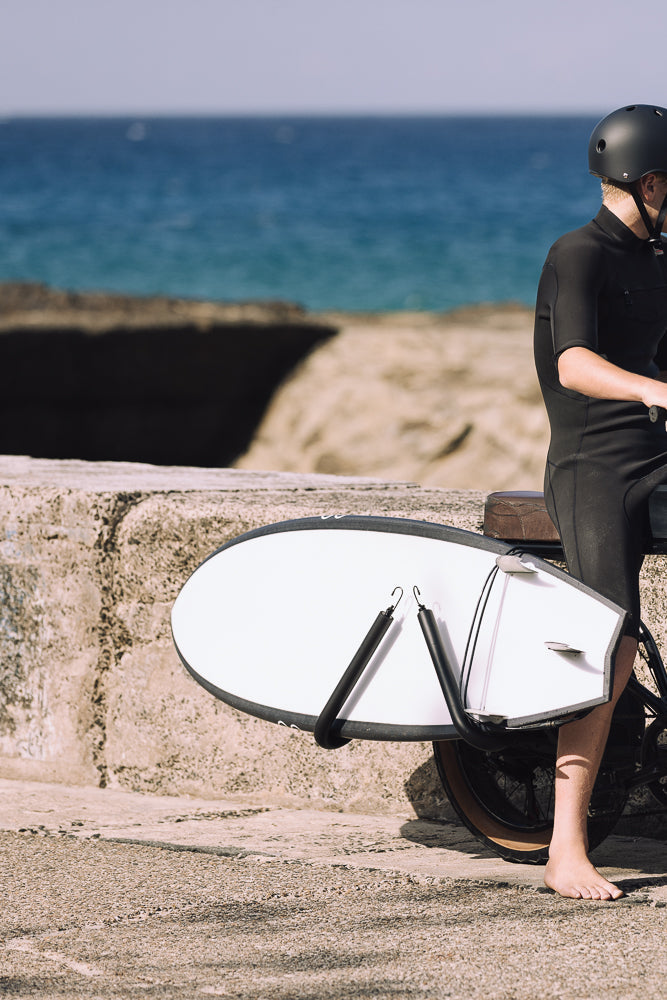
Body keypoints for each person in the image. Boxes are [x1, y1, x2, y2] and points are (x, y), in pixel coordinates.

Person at [534, 104, 667, 900]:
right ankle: (564, 850)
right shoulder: (575, 255)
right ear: (649, 181)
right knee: (607, 641)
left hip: (656, 457)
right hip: (594, 467)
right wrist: (653, 388)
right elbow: (575, 363)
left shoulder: (658, 260)